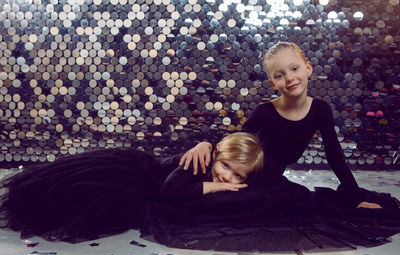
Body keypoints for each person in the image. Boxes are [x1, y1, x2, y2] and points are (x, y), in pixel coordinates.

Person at [180, 42, 381, 209]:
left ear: (308, 68)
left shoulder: (321, 109)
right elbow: (235, 144)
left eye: (295, 68)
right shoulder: (264, 112)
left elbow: (335, 156)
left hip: (272, 182)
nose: (290, 78)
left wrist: (357, 199)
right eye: (279, 75)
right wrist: (206, 145)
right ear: (273, 83)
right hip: (248, 178)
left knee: (303, 200)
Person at [0, 132, 263, 243]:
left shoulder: (217, 168)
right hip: (138, 177)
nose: (228, 178)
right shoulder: (196, 163)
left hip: (146, 181)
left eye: (238, 176)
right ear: (215, 156)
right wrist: (209, 186)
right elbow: (169, 192)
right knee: (85, 193)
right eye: (226, 167)